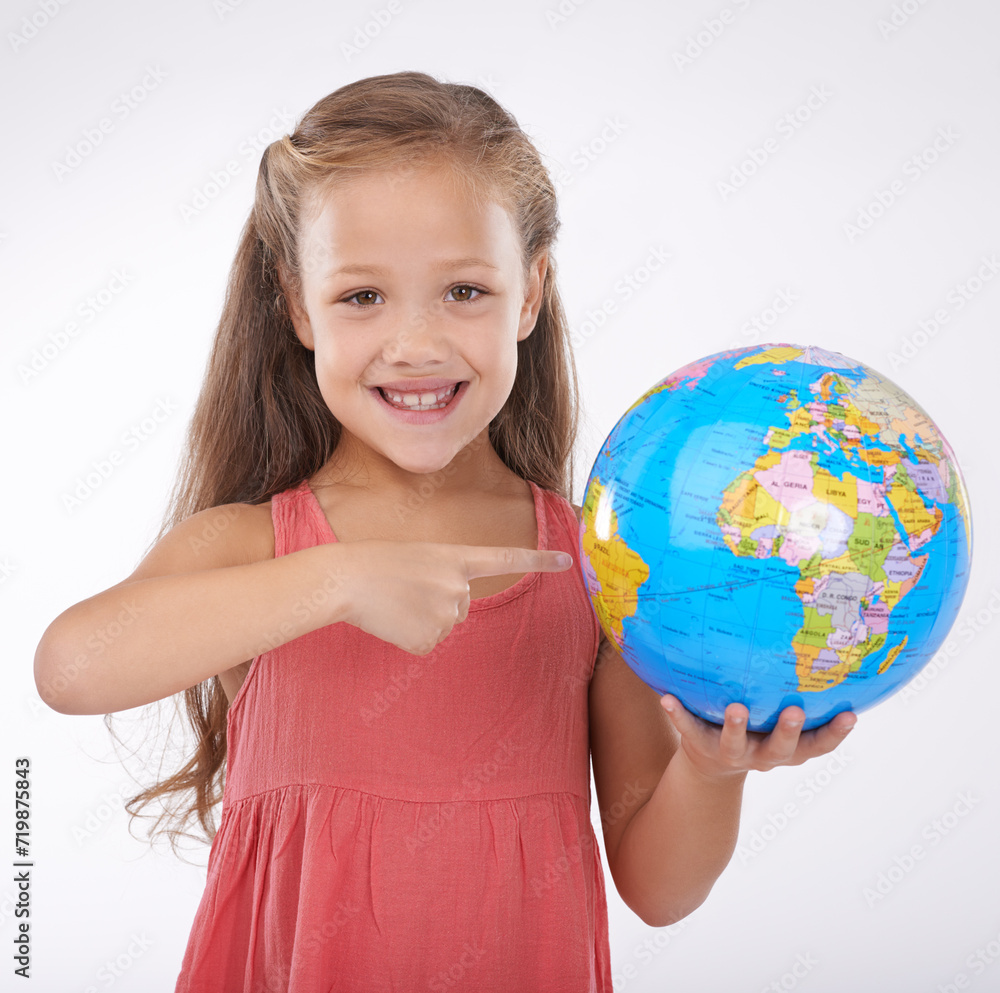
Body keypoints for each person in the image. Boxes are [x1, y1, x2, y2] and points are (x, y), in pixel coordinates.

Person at [33, 70, 857, 992]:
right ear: (298, 305)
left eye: (464, 290)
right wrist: (338, 581)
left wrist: (711, 773)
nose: (416, 343)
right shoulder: (253, 547)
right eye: (361, 297)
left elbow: (657, 889)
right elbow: (71, 667)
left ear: (531, 292)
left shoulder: (597, 571)